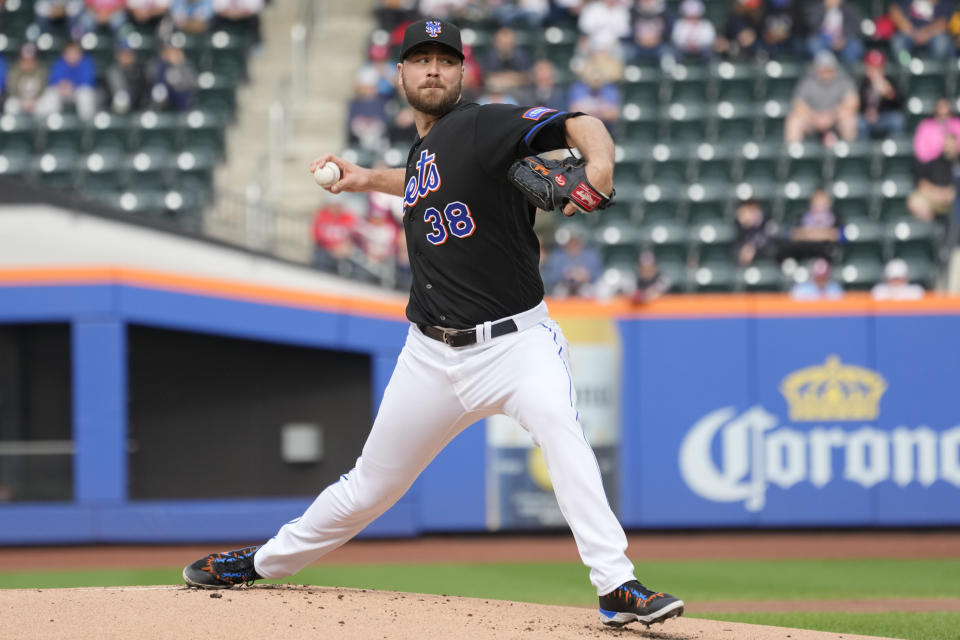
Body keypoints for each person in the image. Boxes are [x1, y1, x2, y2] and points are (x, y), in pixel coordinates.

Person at [181, 18, 685, 630]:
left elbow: (580, 124)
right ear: (400, 74)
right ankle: (260, 563)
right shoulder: (426, 150)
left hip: (515, 345)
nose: (432, 70)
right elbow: (428, 182)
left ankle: (617, 586)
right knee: (368, 488)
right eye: (420, 60)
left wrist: (598, 166)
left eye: (445, 60)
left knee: (561, 431)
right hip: (430, 354)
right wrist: (369, 179)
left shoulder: (482, 124)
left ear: (460, 71)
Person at [783, 50, 858, 145]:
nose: (825, 71)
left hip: (835, 119)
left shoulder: (843, 80)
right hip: (813, 119)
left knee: (848, 119)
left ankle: (849, 154)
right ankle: (794, 154)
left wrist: (831, 116)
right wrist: (815, 117)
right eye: (823, 68)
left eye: (828, 68)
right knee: (794, 120)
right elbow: (798, 104)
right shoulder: (808, 81)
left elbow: (852, 102)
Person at [34, 40, 98, 120]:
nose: (72, 55)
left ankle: (87, 124)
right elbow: (52, 80)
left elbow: (89, 81)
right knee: (50, 93)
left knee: (85, 94)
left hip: (78, 91)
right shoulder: (59, 62)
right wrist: (61, 86)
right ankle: (52, 123)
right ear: (64, 54)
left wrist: (72, 86)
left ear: (80, 53)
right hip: (62, 91)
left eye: (75, 52)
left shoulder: (87, 62)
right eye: (69, 52)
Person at [908, 130, 959, 221]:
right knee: (915, 201)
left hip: (956, 201)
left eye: (952, 144)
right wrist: (941, 194)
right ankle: (932, 230)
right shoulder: (935, 162)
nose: (949, 147)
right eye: (947, 144)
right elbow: (922, 184)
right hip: (938, 201)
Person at [857, 49, 905, 141]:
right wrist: (866, 112)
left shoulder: (890, 81)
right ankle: (865, 153)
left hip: (883, 117)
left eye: (878, 67)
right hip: (866, 118)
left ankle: (892, 150)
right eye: (872, 67)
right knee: (858, 122)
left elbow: (901, 104)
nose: (875, 71)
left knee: (897, 120)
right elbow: (857, 105)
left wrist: (889, 93)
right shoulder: (861, 82)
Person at [541, 228, 603, 298]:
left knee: (589, 291)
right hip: (564, 287)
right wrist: (564, 275)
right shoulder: (557, 255)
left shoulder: (591, 254)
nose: (574, 244)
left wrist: (587, 275)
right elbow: (549, 277)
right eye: (571, 241)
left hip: (587, 286)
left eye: (576, 241)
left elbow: (599, 274)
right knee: (560, 292)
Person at [889, 0, 954, 62]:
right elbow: (895, 11)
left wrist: (927, 33)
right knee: (898, 42)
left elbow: (944, 22)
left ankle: (933, 69)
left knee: (942, 42)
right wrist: (912, 32)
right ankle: (906, 66)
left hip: (933, 34)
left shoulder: (944, 2)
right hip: (909, 32)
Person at [732, 198, 779, 267]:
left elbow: (773, 247)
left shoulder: (767, 221)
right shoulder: (738, 227)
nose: (742, 215)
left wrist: (754, 247)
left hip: (768, 265)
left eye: (747, 211)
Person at [3, 44, 48, 116]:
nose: (28, 62)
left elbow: (43, 87)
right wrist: (22, 101)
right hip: (19, 99)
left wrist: (34, 100)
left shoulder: (41, 70)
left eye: (30, 59)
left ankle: (41, 126)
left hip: (36, 100)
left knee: (44, 106)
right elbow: (11, 89)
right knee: (10, 105)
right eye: (25, 60)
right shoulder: (15, 70)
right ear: (21, 59)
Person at [105, 41, 149, 113]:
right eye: (123, 54)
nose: (126, 57)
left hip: (137, 110)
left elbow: (142, 95)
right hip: (114, 112)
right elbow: (108, 97)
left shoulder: (140, 72)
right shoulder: (112, 72)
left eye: (129, 54)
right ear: (118, 55)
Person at [913, 96, 960, 164]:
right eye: (940, 106)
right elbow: (921, 152)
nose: (943, 109)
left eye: (945, 106)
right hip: (933, 165)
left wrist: (953, 149)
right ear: (936, 108)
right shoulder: (925, 126)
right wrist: (940, 150)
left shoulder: (957, 123)